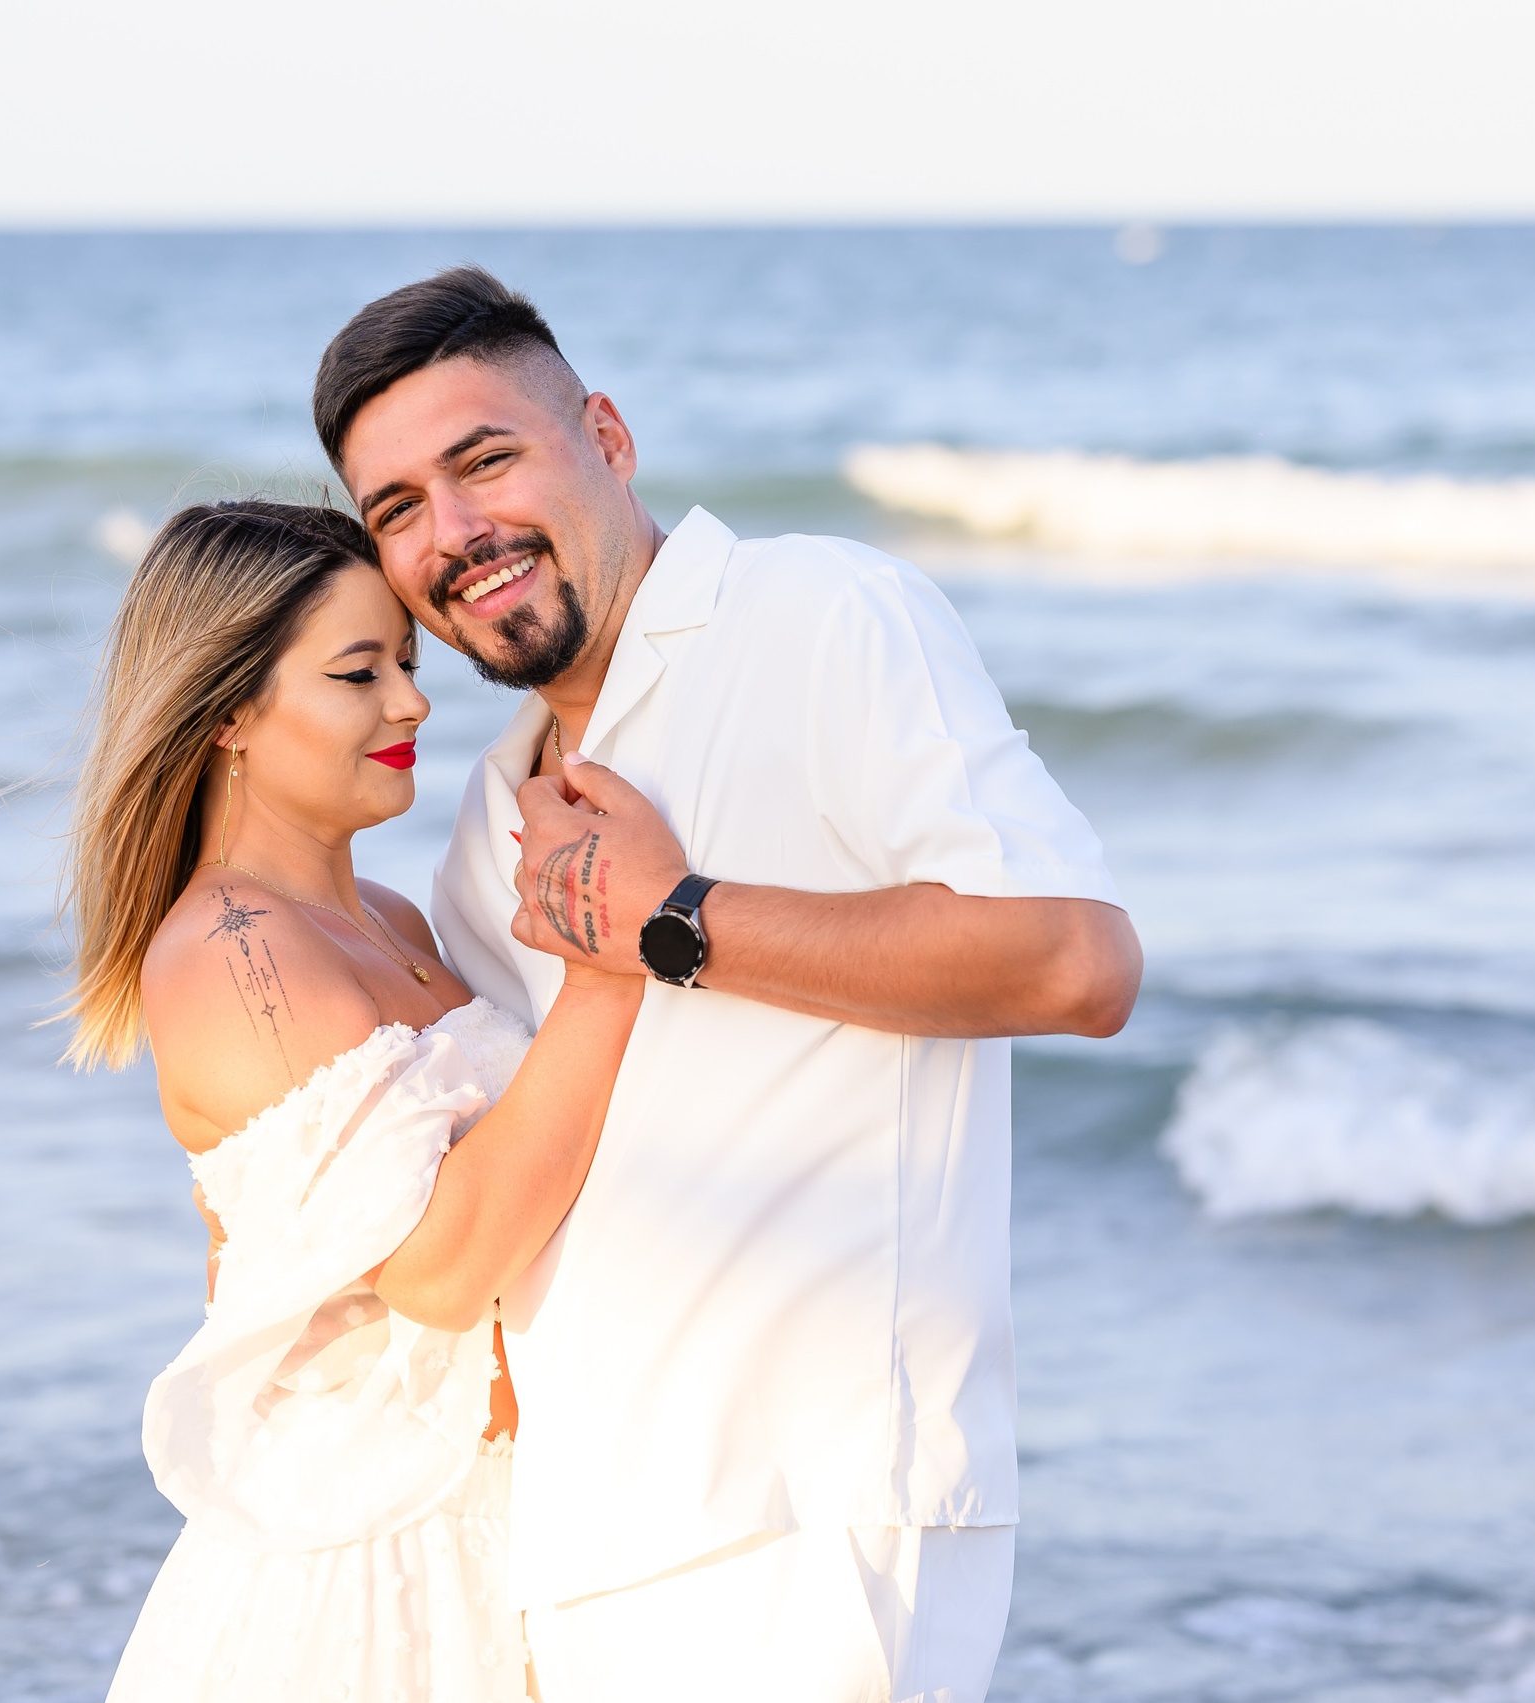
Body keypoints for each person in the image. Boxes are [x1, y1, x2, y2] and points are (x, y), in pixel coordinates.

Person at [315, 268, 1143, 1703]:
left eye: (487, 459)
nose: (456, 533)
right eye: (397, 510)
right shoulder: (484, 816)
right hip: (578, 1549)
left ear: (609, 439)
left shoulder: (820, 613)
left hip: (813, 1519)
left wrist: (679, 920)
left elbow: (1076, 959)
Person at [62, 499, 648, 1701]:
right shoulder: (234, 955)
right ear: (226, 708)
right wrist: (613, 959)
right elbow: (437, 1268)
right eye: (356, 671)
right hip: (383, 1572)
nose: (412, 701)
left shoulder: (388, 918)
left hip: (500, 1514)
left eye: (409, 661)